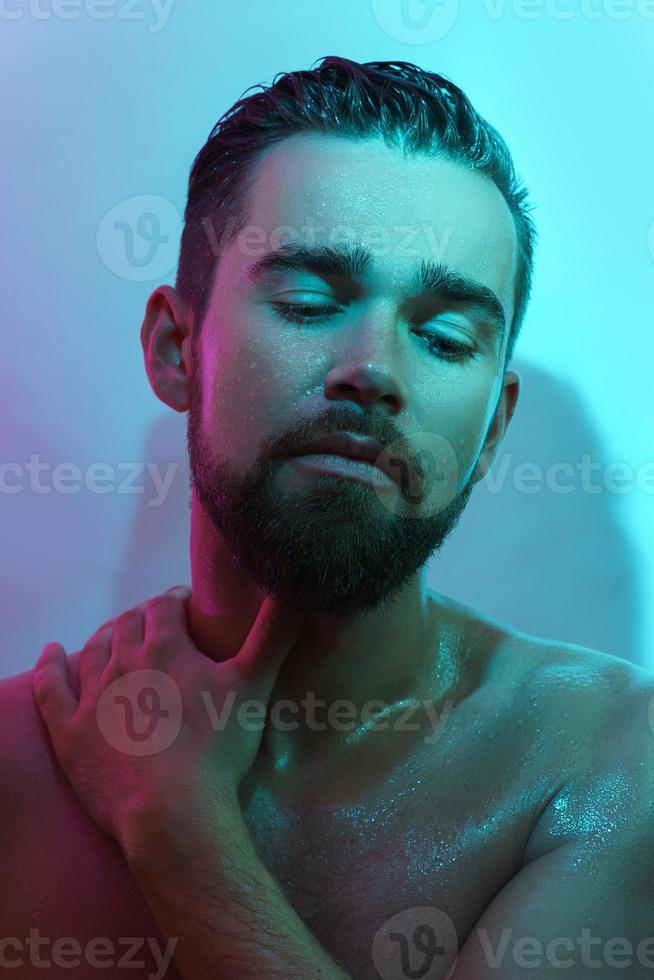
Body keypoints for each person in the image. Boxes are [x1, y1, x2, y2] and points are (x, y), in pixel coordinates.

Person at [2, 57, 653, 980]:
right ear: (175, 349)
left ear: (494, 425)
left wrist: (182, 831)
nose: (374, 368)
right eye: (310, 303)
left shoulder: (612, 768)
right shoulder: (13, 763)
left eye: (443, 338)